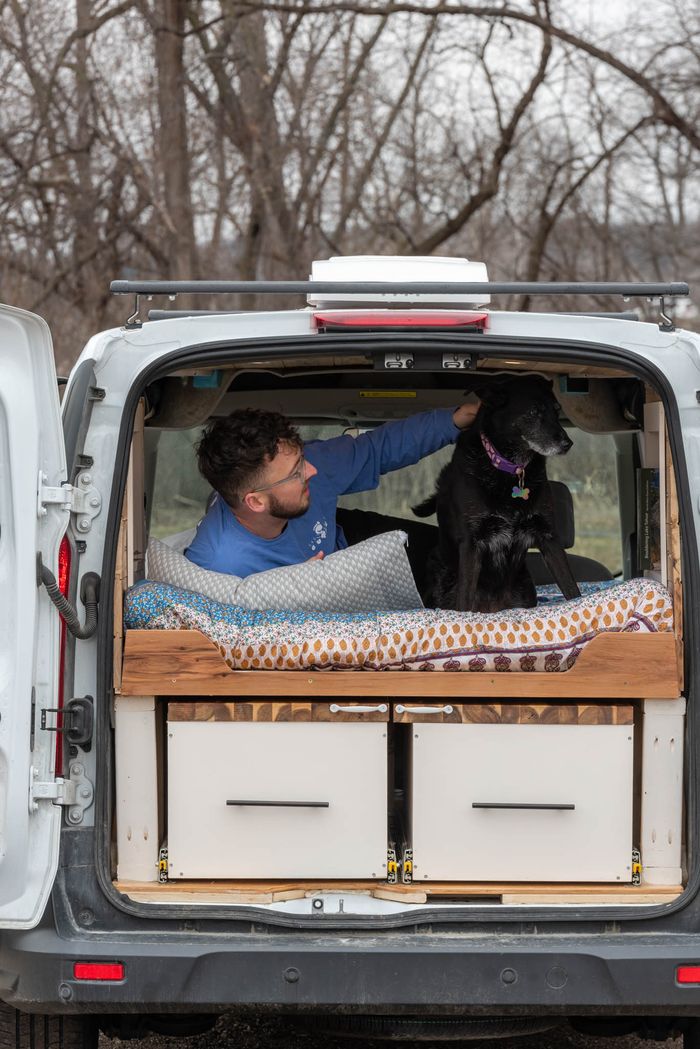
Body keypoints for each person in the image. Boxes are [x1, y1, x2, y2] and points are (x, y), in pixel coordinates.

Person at [185, 403, 479, 577]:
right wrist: (297, 592)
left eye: (302, 459)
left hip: (343, 544)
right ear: (256, 502)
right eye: (296, 473)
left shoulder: (310, 466)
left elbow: (378, 449)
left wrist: (453, 421)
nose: (311, 471)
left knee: (456, 557)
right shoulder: (216, 564)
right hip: (315, 611)